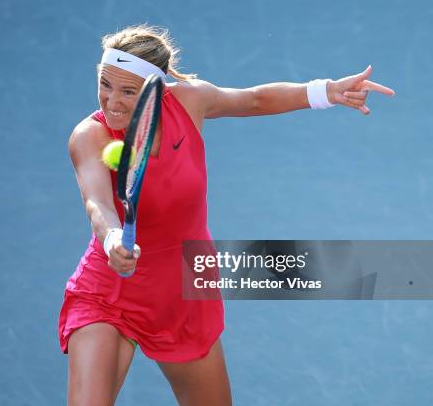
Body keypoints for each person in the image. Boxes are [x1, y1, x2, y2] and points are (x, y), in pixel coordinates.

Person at [58, 25, 394, 406]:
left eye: (128, 91)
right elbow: (97, 202)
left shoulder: (189, 101)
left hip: (182, 292)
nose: (111, 101)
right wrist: (113, 238)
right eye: (105, 84)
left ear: (155, 89)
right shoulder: (89, 136)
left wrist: (325, 91)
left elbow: (252, 100)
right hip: (109, 291)